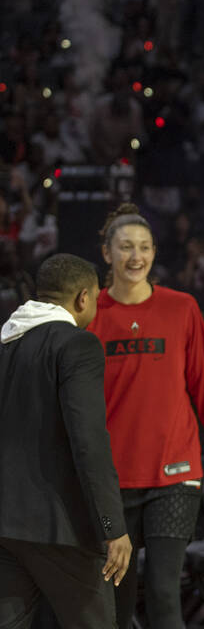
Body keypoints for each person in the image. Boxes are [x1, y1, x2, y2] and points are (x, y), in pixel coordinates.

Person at [88, 205, 204, 629]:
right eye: (125, 248)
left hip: (175, 476)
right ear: (107, 253)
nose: (135, 257)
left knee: (162, 593)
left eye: (143, 247)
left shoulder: (182, 309)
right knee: (116, 603)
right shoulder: (90, 316)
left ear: (154, 252)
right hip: (112, 482)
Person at [0, 254, 131, 629]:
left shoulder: (6, 342)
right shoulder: (78, 345)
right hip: (60, 528)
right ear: (83, 298)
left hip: (6, 527)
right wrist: (112, 526)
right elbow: (88, 440)